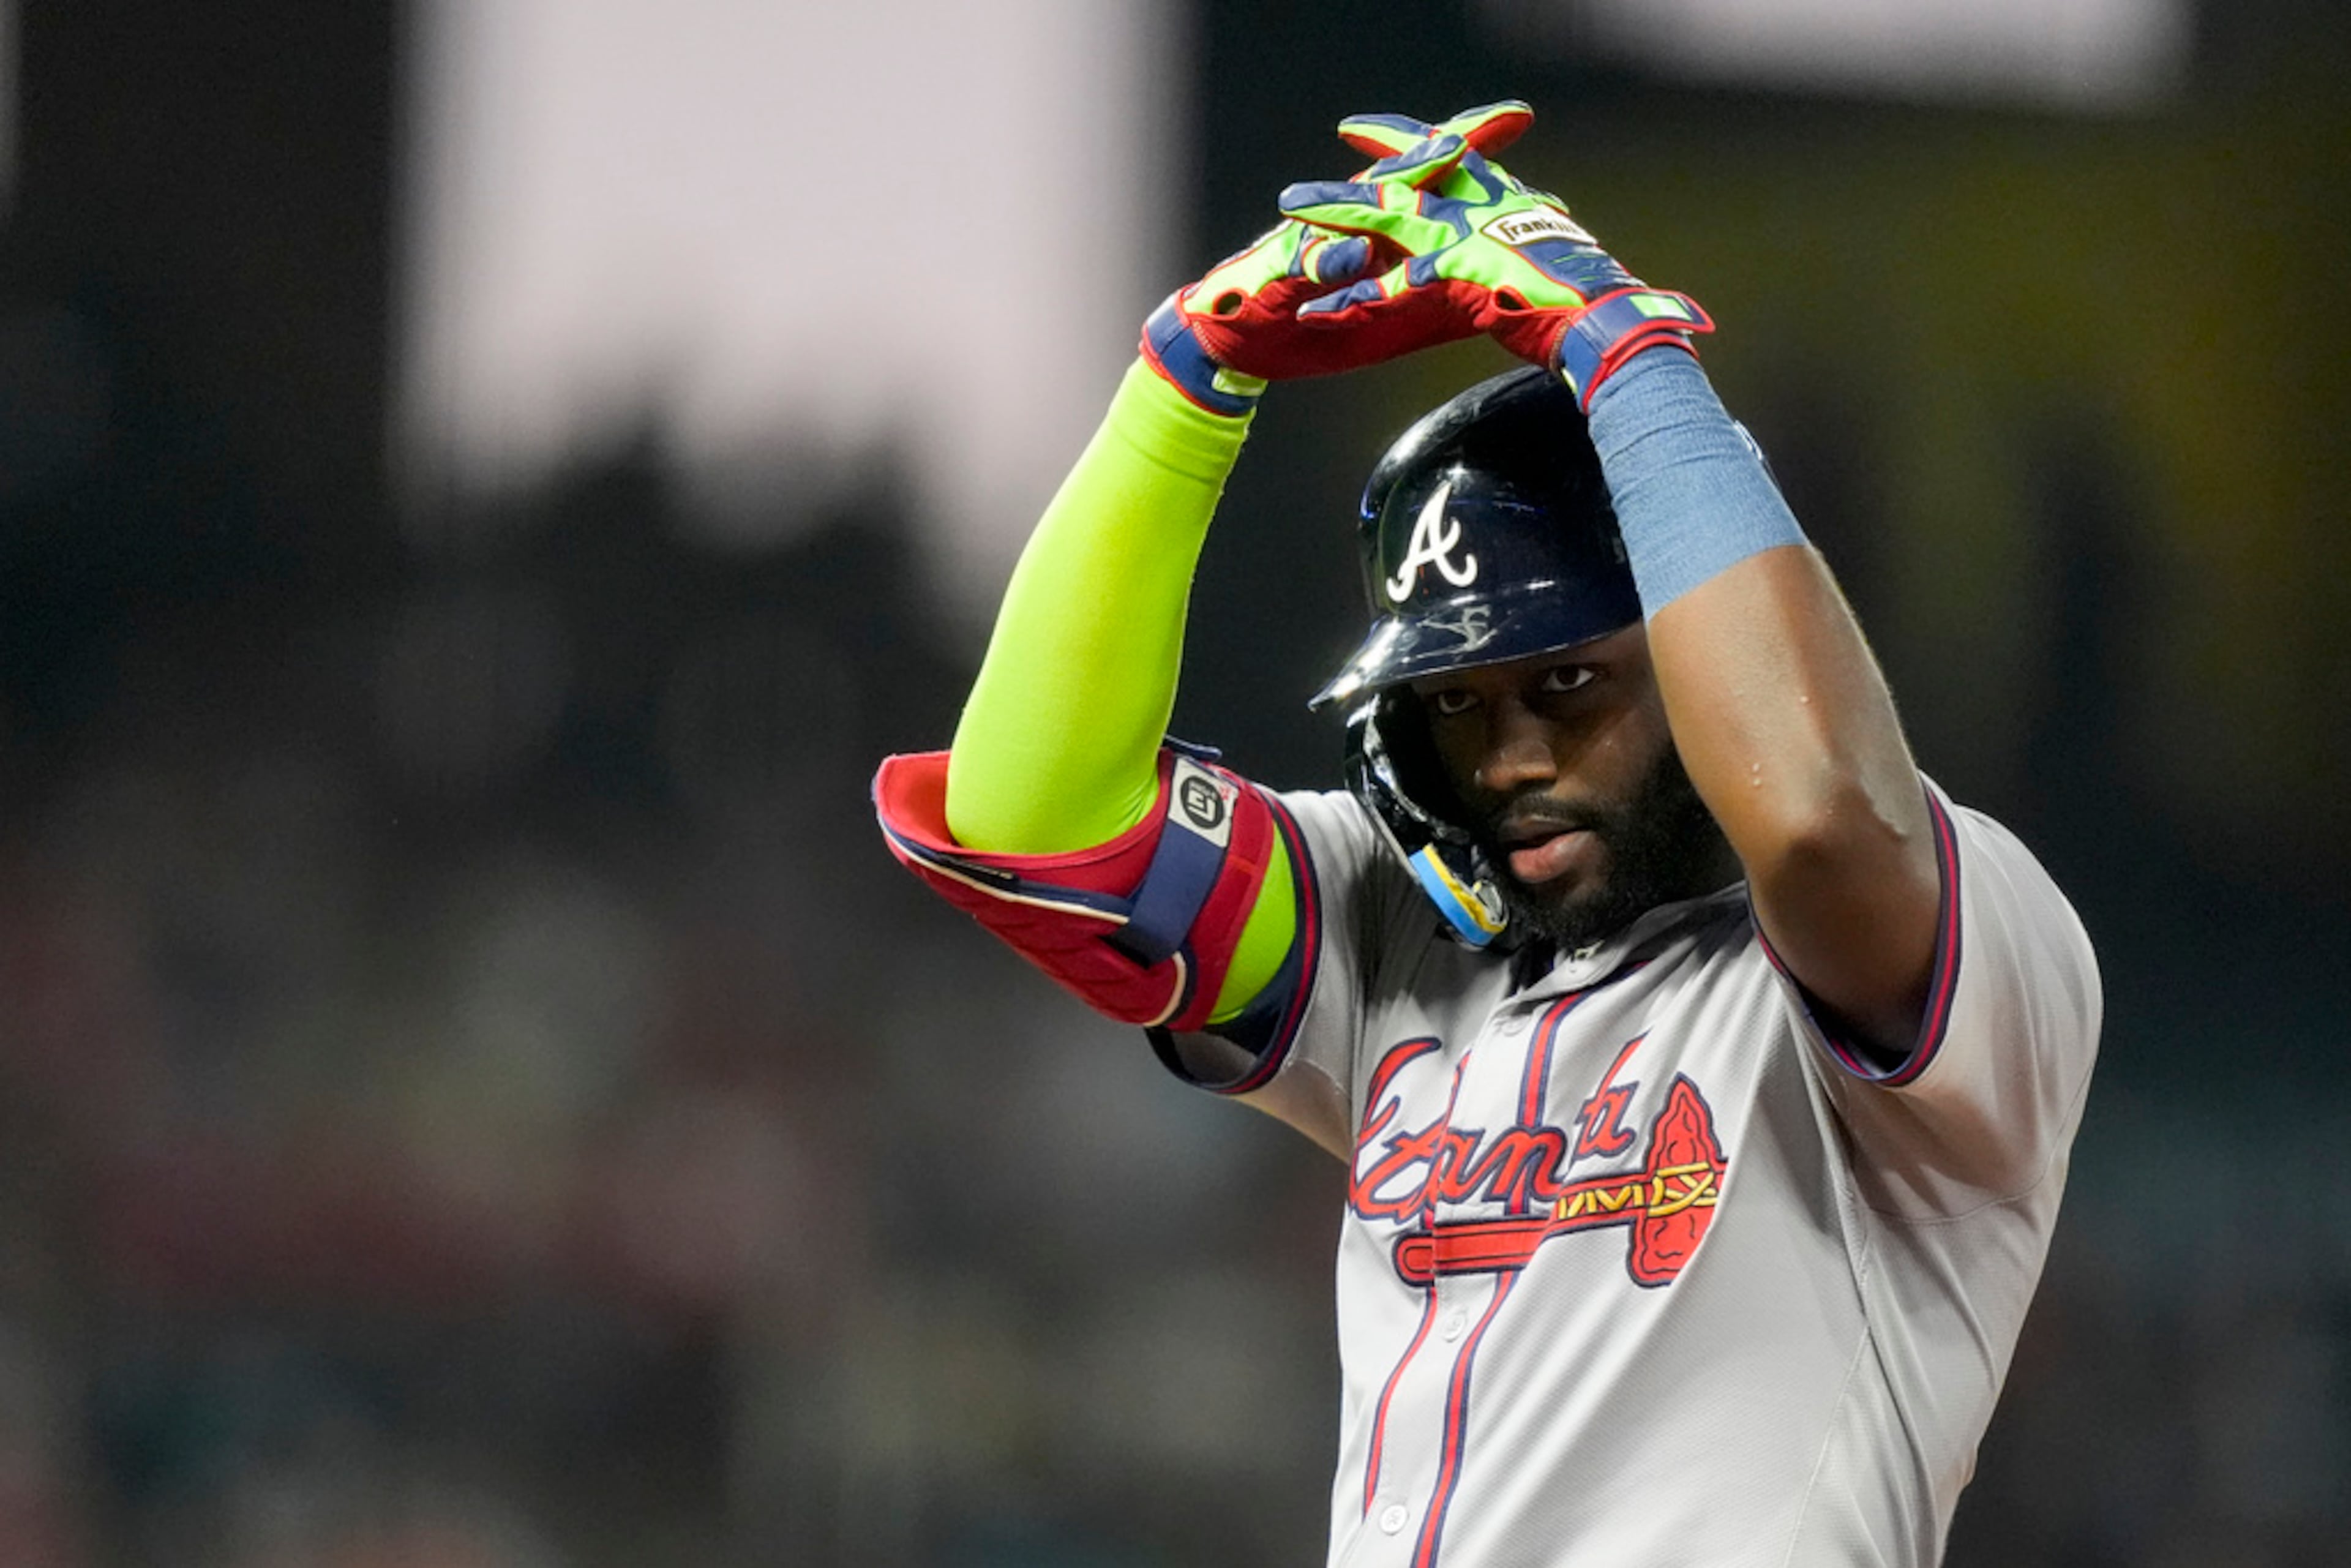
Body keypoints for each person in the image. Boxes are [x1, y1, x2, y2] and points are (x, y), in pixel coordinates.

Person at [874, 102, 2099, 1568]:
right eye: (1453, 702)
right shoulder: (1405, 932)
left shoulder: (1954, 934)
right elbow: (1035, 825)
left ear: (1699, 647)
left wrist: (1626, 357)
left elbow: (1823, 824)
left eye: (1568, 683)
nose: (1508, 753)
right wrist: (1183, 389)